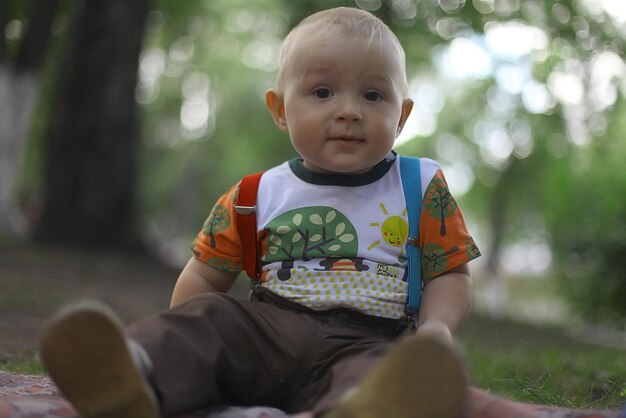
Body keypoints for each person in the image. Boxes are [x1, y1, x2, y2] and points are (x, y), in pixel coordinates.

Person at [38, 7, 623, 418]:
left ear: (402, 113)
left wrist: (436, 332)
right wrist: (192, 344)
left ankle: (371, 408)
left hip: (366, 342)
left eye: (373, 95)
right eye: (322, 93)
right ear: (279, 109)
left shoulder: (422, 187)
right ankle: (137, 376)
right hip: (266, 331)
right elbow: (203, 278)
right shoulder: (251, 194)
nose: (348, 111)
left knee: (387, 378)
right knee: (209, 321)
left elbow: (450, 275)